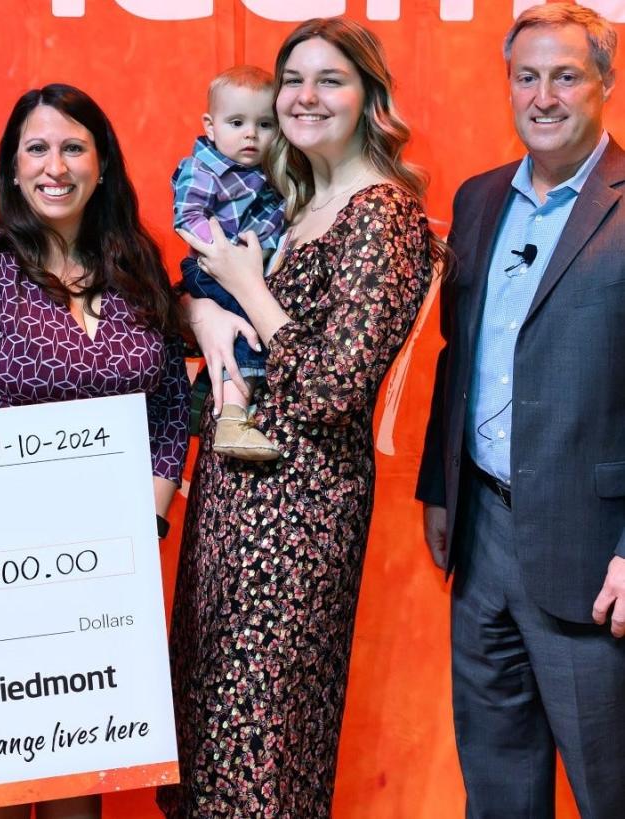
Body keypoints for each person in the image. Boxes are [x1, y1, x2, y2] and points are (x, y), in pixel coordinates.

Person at [159, 18, 437, 817]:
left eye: (331, 80)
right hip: (230, 507)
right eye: (293, 80)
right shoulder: (290, 199)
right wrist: (203, 315)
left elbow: (332, 387)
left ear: (370, 98)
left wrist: (248, 289)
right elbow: (209, 305)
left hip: (300, 520)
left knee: (265, 759)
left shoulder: (383, 216)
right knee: (210, 744)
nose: (305, 98)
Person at [0, 83, 190, 819]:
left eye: (73, 147)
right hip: (1, 572)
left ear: (102, 164)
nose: (56, 166)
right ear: (13, 168)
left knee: (82, 772)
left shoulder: (136, 264)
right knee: (5, 779)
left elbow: (170, 402)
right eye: (36, 148)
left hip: (108, 569)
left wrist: (152, 514)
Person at [417, 4, 625, 815]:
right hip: (481, 541)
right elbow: (456, 354)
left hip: (592, 556)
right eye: (527, 75)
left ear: (605, 84)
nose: (544, 95)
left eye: (566, 75)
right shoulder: (478, 200)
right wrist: (441, 487)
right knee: (498, 787)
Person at [172, 64, 284, 461]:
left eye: (265, 124)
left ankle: (202, 400)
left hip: (248, 266)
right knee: (247, 328)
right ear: (211, 125)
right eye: (237, 122)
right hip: (211, 269)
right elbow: (186, 217)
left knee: (243, 325)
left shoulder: (269, 172)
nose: (251, 134)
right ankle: (233, 418)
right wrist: (225, 255)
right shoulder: (204, 169)